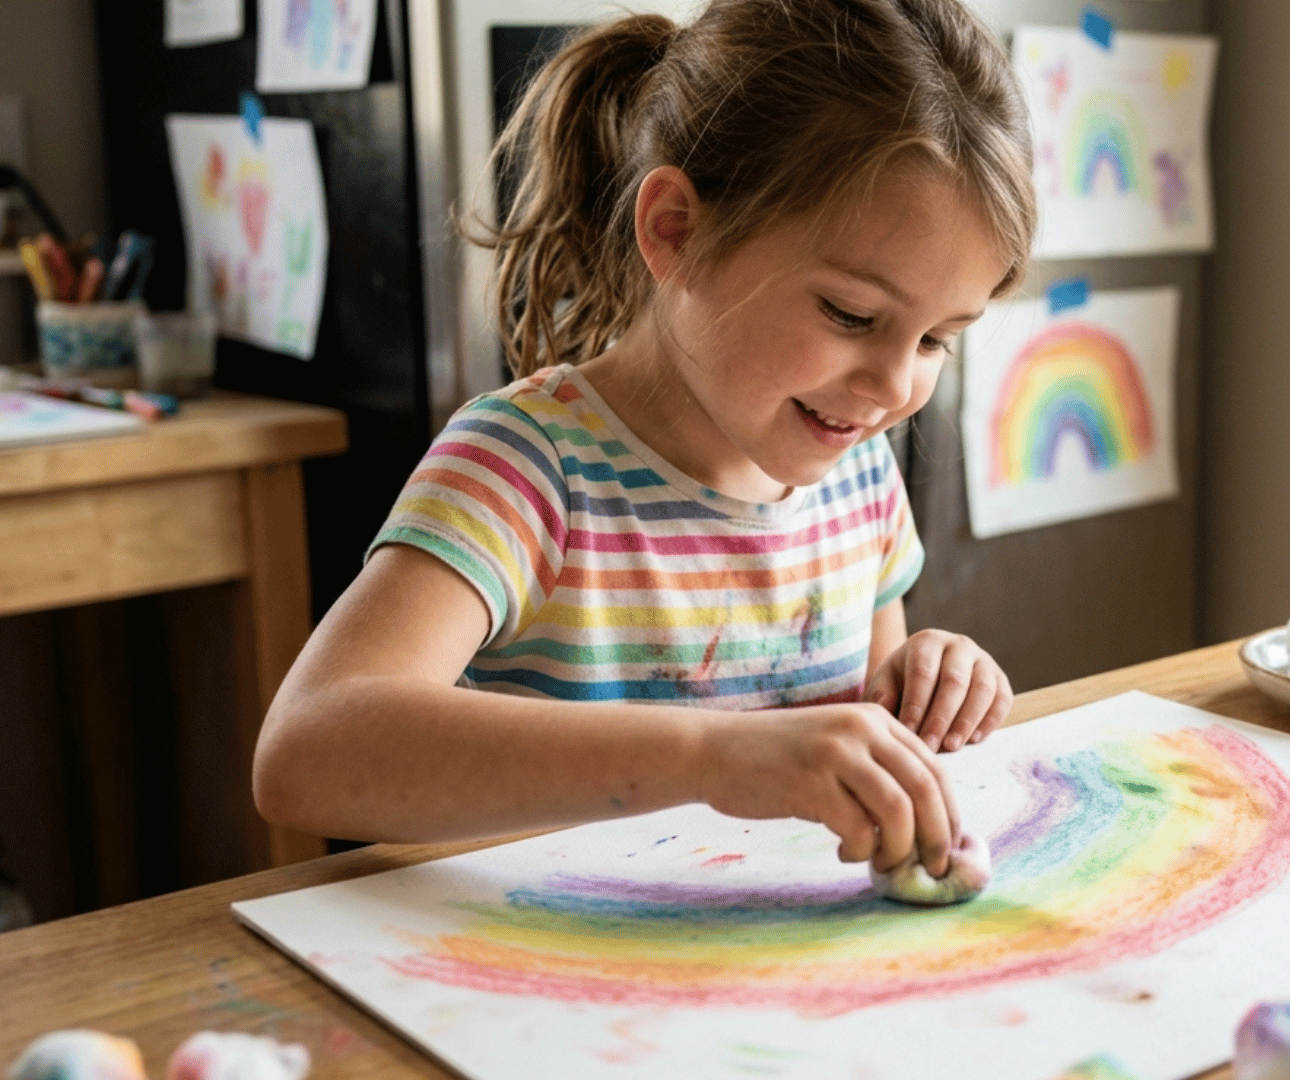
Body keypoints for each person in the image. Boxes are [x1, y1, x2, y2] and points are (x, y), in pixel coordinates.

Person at [253, 0, 1037, 881]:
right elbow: (305, 752)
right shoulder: (529, 469)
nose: (895, 388)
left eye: (936, 340)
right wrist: (708, 756)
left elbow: (861, 743)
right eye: (851, 314)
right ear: (676, 232)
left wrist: (923, 687)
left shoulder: (858, 475)